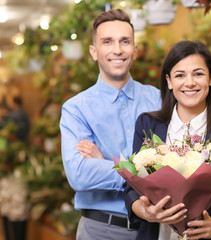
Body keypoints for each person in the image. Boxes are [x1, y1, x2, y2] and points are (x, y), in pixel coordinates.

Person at [125, 40, 211, 240]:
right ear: (169, 81)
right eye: (180, 75)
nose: (189, 83)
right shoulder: (147, 125)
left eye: (198, 74)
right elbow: (131, 190)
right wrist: (146, 213)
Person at [59, 8, 161, 240]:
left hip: (154, 230)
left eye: (125, 41)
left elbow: (173, 162)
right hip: (100, 230)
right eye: (107, 42)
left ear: (135, 50)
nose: (117, 50)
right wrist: (142, 170)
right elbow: (79, 175)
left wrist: (106, 163)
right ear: (94, 52)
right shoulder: (76, 108)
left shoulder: (157, 100)